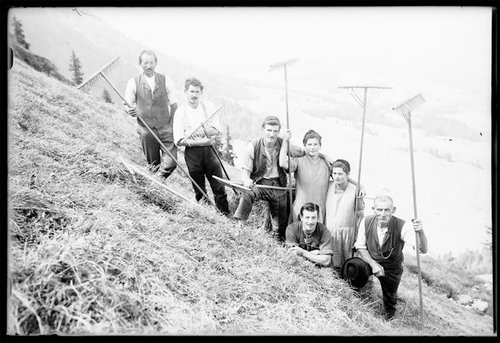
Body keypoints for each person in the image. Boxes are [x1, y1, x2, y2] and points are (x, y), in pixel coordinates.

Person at [353, 195, 428, 320]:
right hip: (371, 261)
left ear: (393, 210)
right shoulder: (366, 221)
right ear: (373, 209)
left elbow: (422, 249)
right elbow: (360, 247)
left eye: (387, 210)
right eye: (379, 210)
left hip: (392, 267)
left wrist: (420, 231)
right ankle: (357, 305)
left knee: (390, 300)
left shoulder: (402, 226)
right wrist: (373, 264)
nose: (383, 214)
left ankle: (389, 321)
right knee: (354, 269)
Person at [233, 116, 302, 241]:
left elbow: (302, 152)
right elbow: (245, 172)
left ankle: (278, 239)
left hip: (278, 184)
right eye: (269, 130)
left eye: (275, 131)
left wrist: (320, 155)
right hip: (260, 183)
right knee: (247, 194)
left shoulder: (284, 143)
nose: (272, 134)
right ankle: (239, 228)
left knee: (282, 213)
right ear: (262, 130)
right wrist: (247, 181)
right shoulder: (253, 146)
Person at [279, 130, 365, 224]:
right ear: (305, 146)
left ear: (320, 146)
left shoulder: (326, 163)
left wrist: (360, 186)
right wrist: (285, 141)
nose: (312, 147)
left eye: (315, 144)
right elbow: (282, 163)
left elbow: (341, 175)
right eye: (309, 144)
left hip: (319, 211)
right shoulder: (298, 161)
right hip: (301, 209)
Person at [173, 77, 229, 215]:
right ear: (186, 92)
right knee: (199, 190)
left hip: (210, 152)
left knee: (219, 187)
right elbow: (179, 140)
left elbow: (216, 129)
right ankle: (206, 217)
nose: (194, 95)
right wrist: (201, 140)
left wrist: (199, 132)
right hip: (193, 155)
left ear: (201, 92)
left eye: (197, 92)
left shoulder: (208, 106)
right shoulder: (180, 112)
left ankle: (225, 217)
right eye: (191, 91)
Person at [124, 50, 179, 179]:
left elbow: (174, 104)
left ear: (156, 63)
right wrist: (129, 110)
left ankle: (157, 180)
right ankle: (156, 184)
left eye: (151, 62)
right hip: (146, 130)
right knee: (153, 165)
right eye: (145, 63)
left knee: (171, 162)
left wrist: (172, 125)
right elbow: (127, 103)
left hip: (166, 127)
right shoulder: (133, 82)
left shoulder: (166, 80)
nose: (148, 66)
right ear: (140, 64)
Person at [325, 159, 365, 270]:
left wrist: (359, 236)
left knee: (347, 263)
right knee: (332, 265)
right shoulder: (328, 186)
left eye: (340, 174)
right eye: (334, 173)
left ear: (347, 174)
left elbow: (360, 215)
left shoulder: (355, 190)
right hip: (330, 232)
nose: (337, 177)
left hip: (348, 233)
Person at [285, 202, 333, 267]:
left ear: (318, 218)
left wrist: (302, 252)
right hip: (299, 268)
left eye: (313, 218)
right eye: (307, 217)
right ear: (301, 217)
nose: (310, 222)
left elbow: (326, 260)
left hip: (319, 270)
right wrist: (317, 254)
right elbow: (292, 257)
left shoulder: (324, 231)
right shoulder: (292, 229)